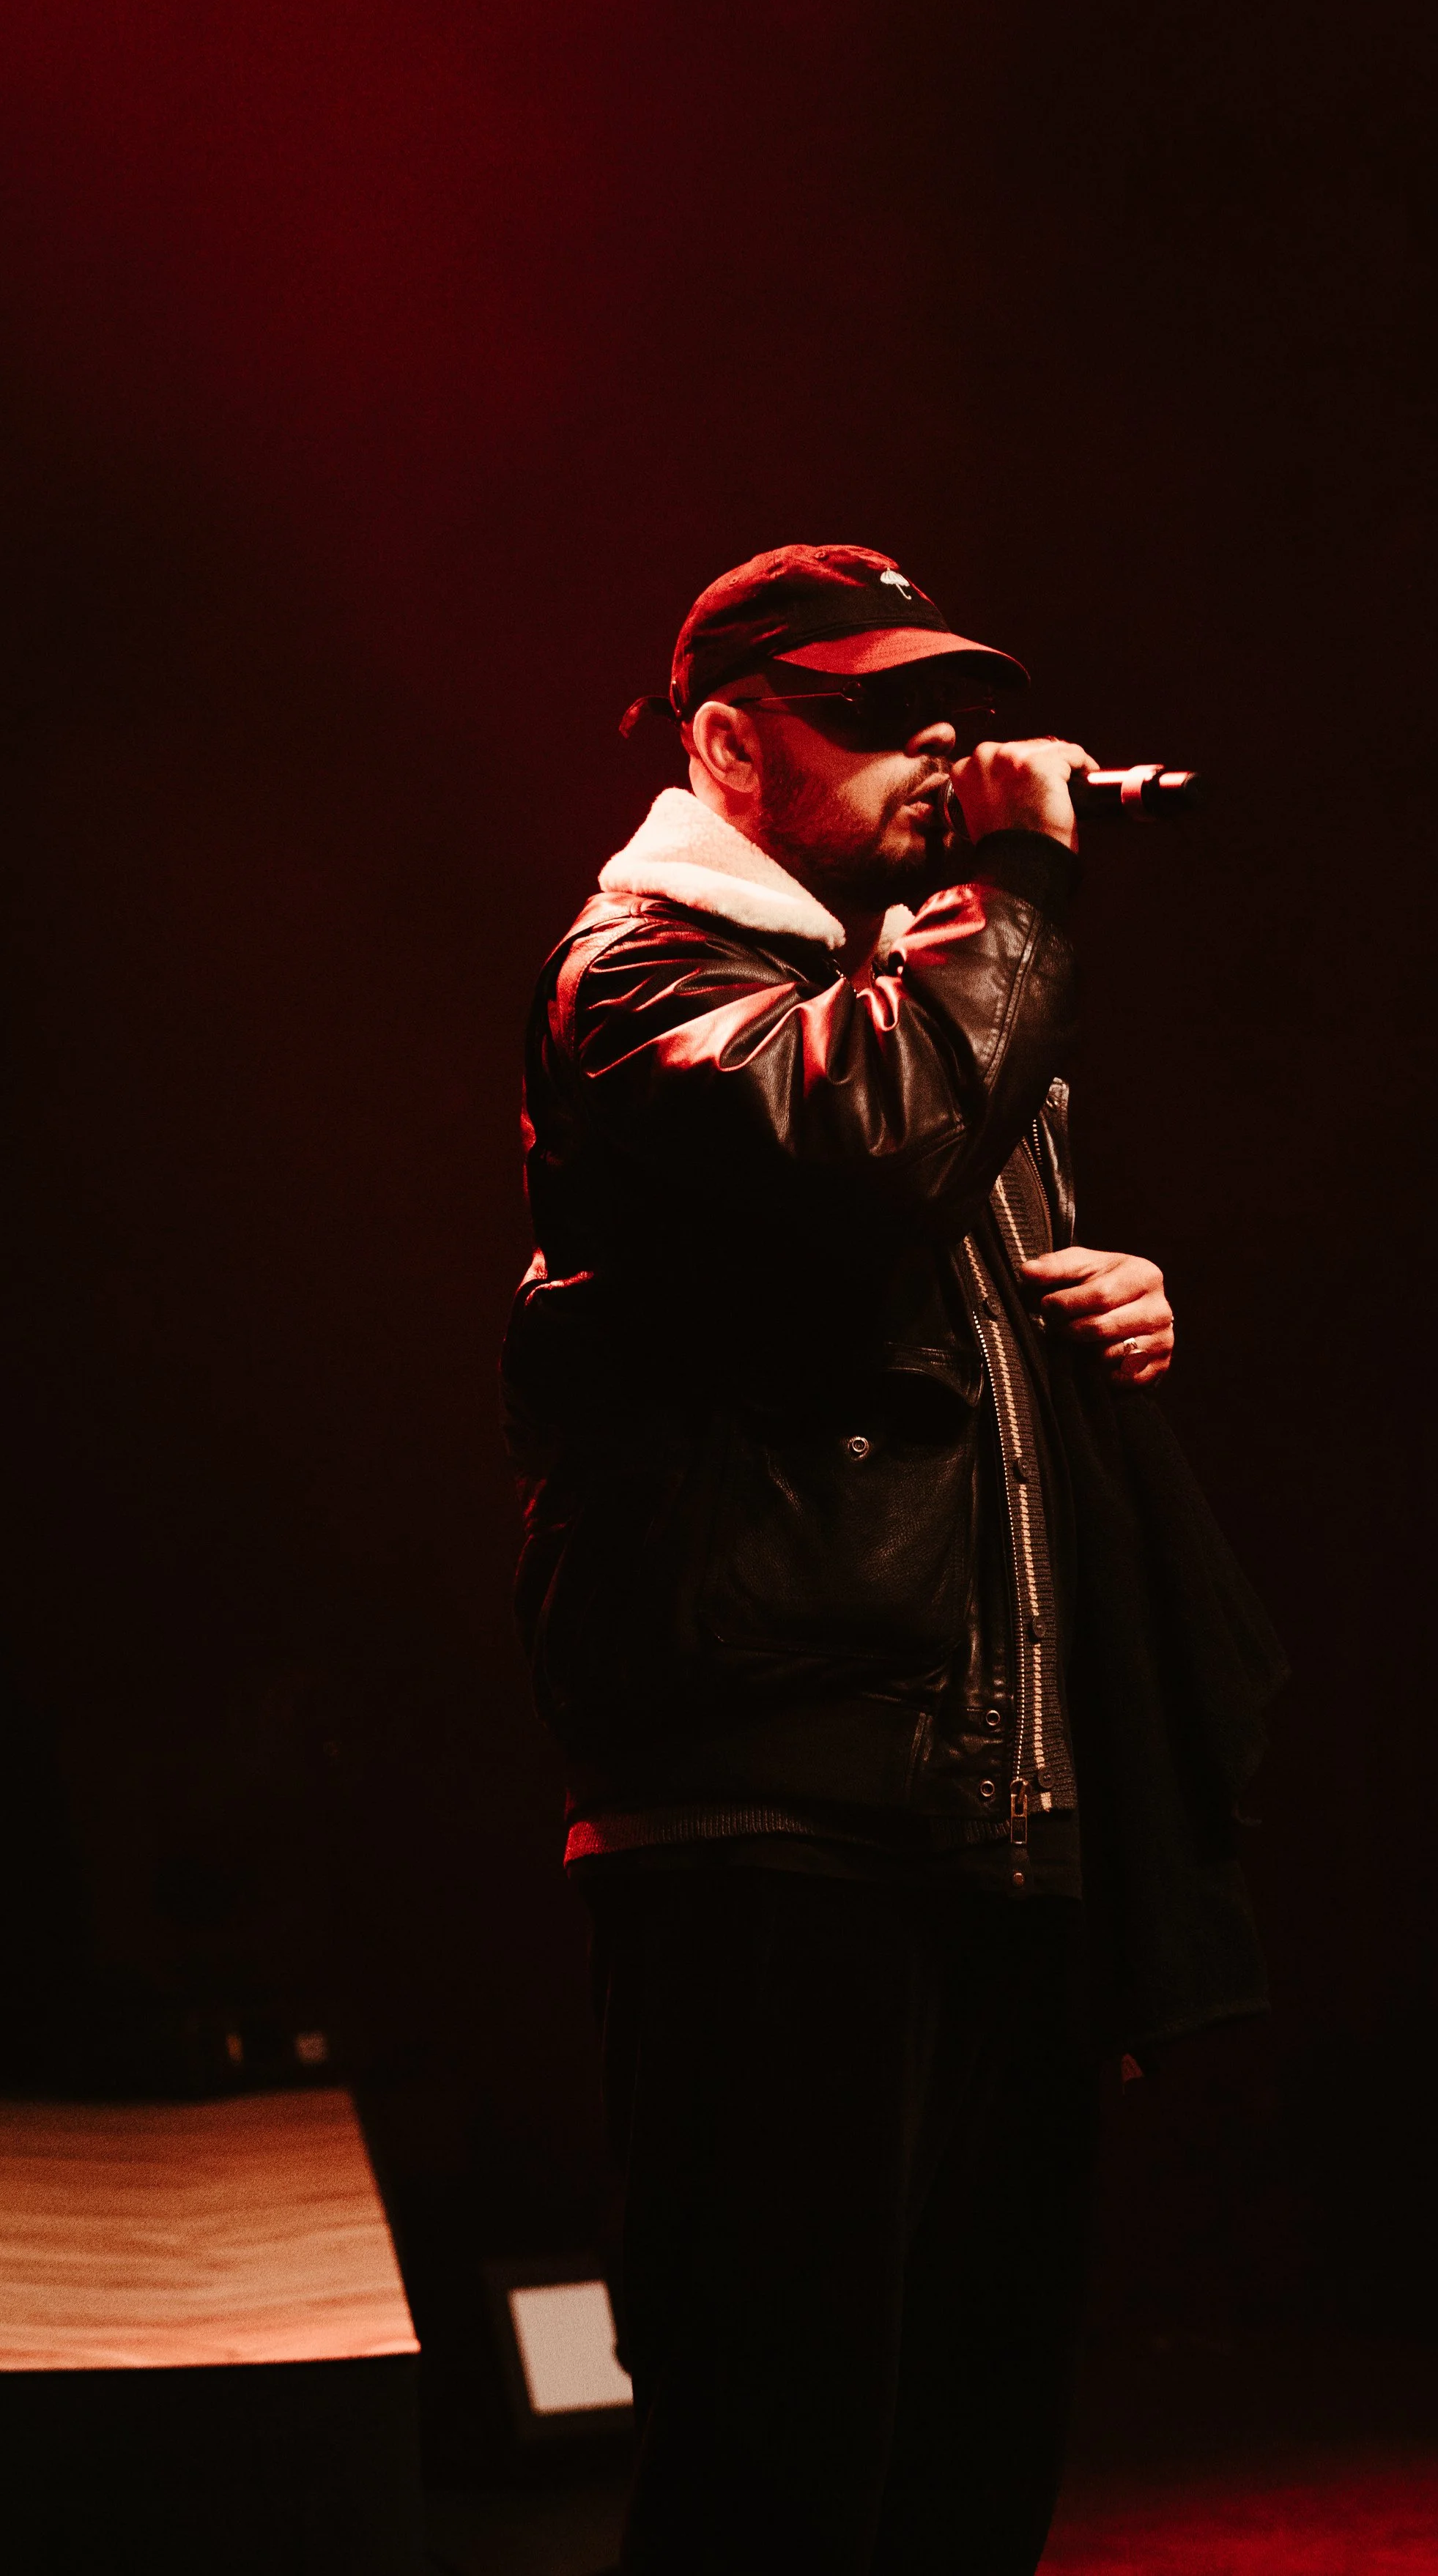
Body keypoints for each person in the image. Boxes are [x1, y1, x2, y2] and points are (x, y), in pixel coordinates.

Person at [502, 543, 1285, 2575]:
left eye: (949, 706)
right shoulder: (640, 975)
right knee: (779, 2454)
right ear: (725, 745)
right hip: (773, 1821)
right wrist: (1013, 887)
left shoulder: (900, 987)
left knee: (965, 2444)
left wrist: (1105, 1305)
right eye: (872, 715)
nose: (936, 744)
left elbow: (917, 1259)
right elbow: (866, 1154)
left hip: (973, 1813)